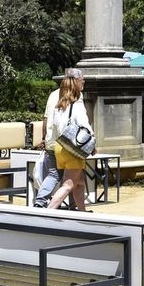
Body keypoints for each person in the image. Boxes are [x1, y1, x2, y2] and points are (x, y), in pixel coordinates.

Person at [44, 68, 92, 212]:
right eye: (82, 80)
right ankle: (48, 211)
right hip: (73, 149)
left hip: (61, 147)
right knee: (68, 185)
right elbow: (85, 125)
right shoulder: (77, 104)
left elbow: (56, 126)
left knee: (79, 182)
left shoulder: (59, 105)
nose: (84, 81)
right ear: (76, 84)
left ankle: (82, 212)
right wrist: (92, 143)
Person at [30, 76, 67, 208]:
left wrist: (44, 137)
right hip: (64, 144)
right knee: (70, 177)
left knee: (54, 175)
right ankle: (73, 206)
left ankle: (40, 202)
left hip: (51, 141)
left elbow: (45, 118)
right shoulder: (72, 95)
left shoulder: (52, 95)